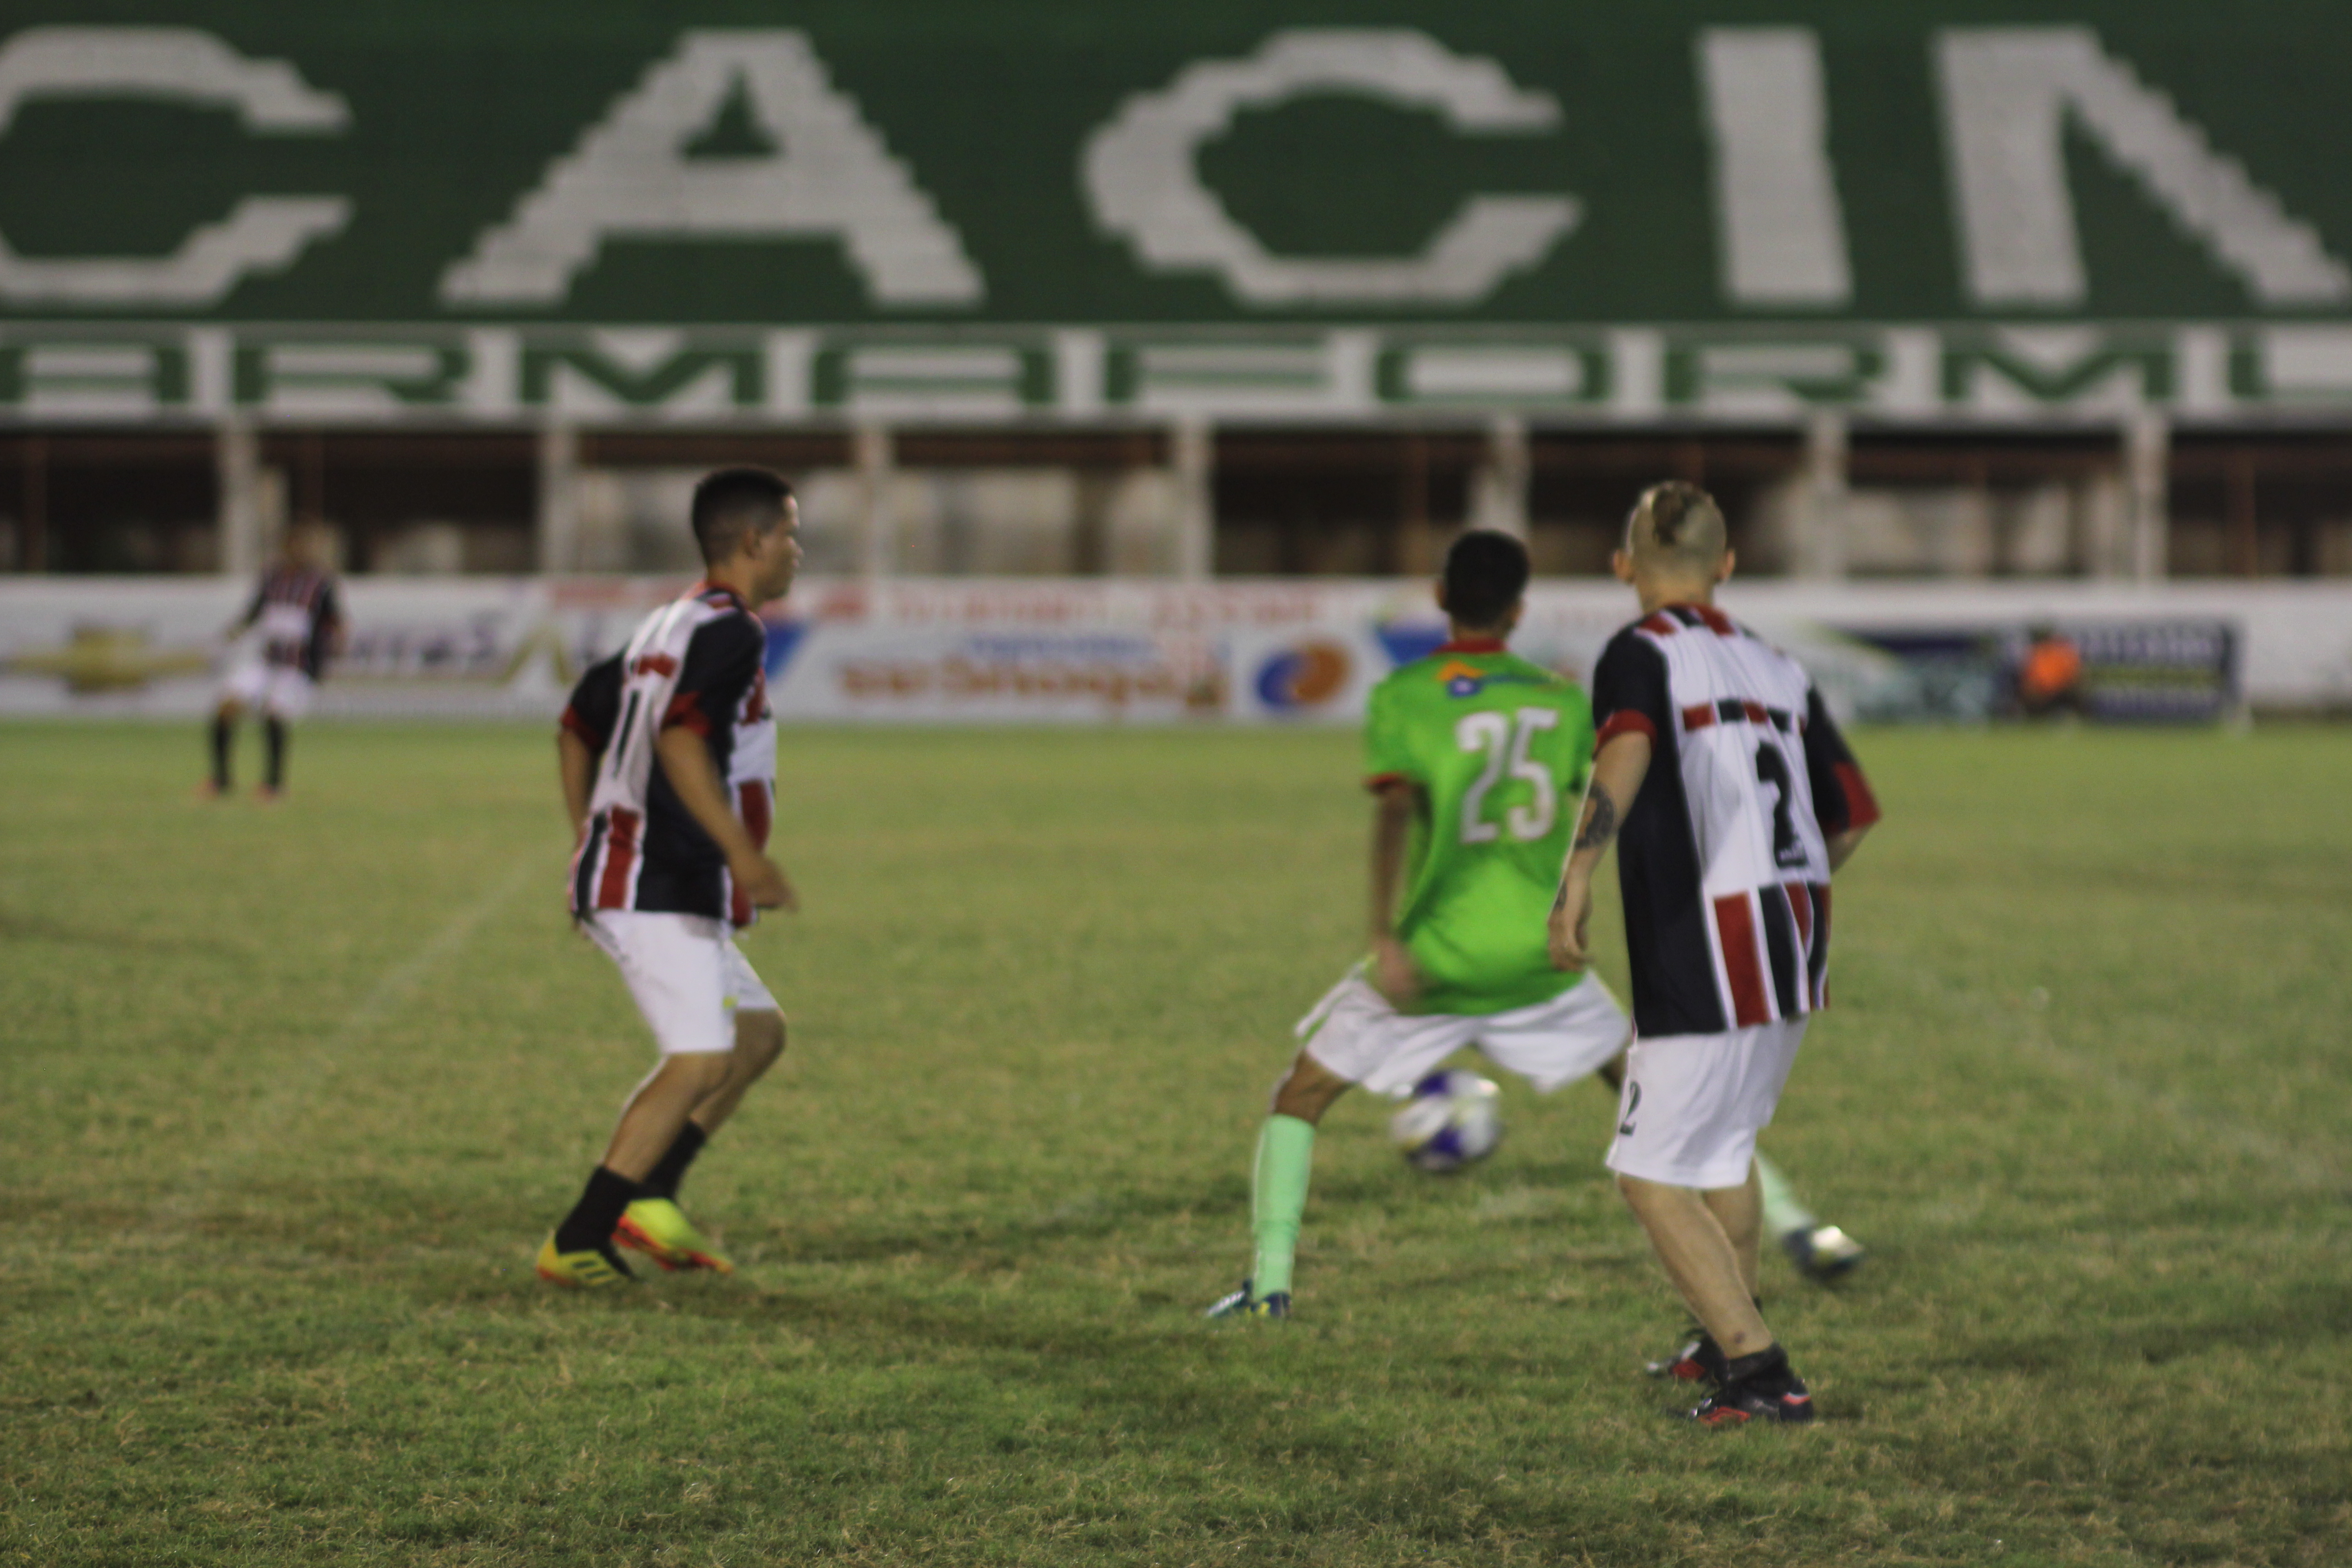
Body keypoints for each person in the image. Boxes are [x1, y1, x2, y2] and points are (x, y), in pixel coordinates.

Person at [1205, 529, 1866, 1323]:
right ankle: (1799, 1227)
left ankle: (1269, 1285)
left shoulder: (1402, 695)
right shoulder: (1556, 701)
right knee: (1673, 1098)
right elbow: (1606, 794)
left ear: (1442, 598)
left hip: (1434, 958)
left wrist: (1383, 934)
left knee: (1300, 1096)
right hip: (1537, 956)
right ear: (1518, 610)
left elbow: (1391, 816)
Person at [1549, 481, 1880, 1426]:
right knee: (1722, 1150)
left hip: (1704, 942)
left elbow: (1625, 753)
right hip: (1790, 939)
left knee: (1647, 1174)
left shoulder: (1639, 651)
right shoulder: (1778, 664)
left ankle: (1760, 1370)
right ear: (1727, 566)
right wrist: (1787, 894)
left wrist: (1574, 877)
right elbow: (1849, 817)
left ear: (1624, 568)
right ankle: (1721, 1330)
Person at [536, 468, 803, 1288]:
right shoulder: (730, 633)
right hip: (659, 880)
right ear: (754, 542)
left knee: (756, 1037)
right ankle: (578, 1238)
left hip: (655, 877)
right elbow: (683, 744)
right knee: (696, 1060)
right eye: (791, 534)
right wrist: (744, 853)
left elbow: (578, 722)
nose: (798, 551)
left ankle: (650, 1198)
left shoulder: (670, 621)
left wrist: (590, 838)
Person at [207, 524, 343, 799]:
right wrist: (232, 633)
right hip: (267, 661)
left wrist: (329, 652)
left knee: (274, 713)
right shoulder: (272, 578)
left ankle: (273, 785)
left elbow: (335, 623)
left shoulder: (321, 583)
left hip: (297, 667)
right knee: (226, 707)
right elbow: (254, 612)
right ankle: (221, 780)